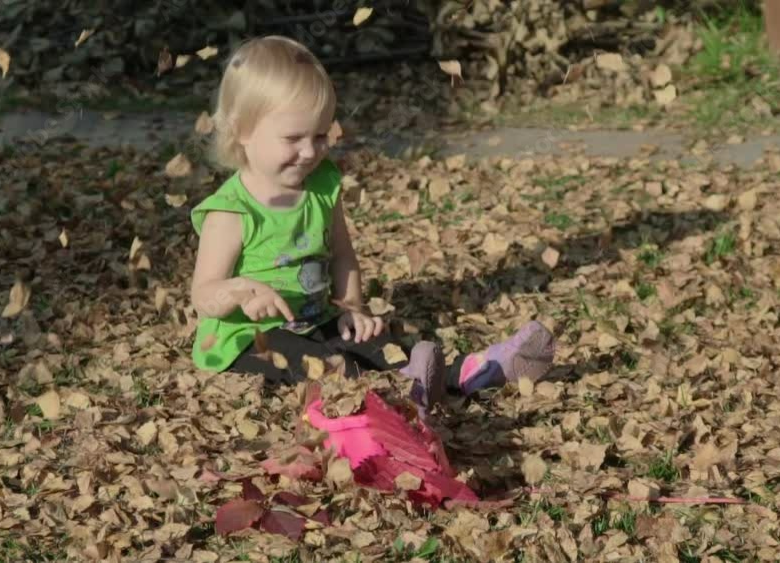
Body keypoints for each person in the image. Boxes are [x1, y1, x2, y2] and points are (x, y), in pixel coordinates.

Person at [188, 35, 555, 415]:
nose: (310, 151)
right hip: (248, 338)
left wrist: (352, 308)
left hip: (317, 318)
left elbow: (343, 257)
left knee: (381, 346)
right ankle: (394, 404)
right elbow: (204, 293)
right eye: (293, 139)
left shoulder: (321, 188)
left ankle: (471, 370)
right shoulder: (231, 212)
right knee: (326, 365)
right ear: (243, 131)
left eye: (319, 136)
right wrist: (240, 291)